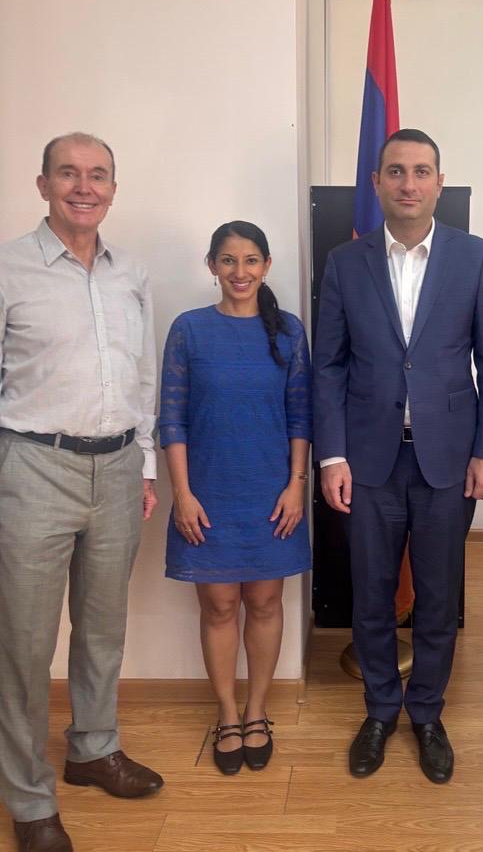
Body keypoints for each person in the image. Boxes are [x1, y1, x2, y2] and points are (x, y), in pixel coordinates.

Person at [313, 128, 483, 784]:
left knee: (438, 595)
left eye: (421, 171)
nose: (409, 183)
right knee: (370, 594)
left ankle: (426, 711)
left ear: (439, 183)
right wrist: (331, 457)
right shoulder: (346, 262)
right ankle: (379, 711)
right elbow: (328, 366)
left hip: (447, 460)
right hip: (368, 461)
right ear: (376, 183)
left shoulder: (475, 258)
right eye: (396, 171)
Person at [0, 133, 163, 852]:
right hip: (33, 467)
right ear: (43, 185)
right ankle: (30, 798)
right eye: (68, 173)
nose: (83, 186)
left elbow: (142, 376)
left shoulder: (132, 274)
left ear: (113, 190)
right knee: (24, 644)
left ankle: (94, 749)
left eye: (98, 175)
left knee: (102, 629)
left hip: (119, 467)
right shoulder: (9, 268)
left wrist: (146, 465)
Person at [159, 221, 311, 776]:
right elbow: (171, 419)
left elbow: (301, 415)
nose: (239, 271)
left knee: (266, 604)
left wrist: (296, 485)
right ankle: (226, 714)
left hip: (271, 493)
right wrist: (182, 494)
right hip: (208, 493)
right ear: (212, 266)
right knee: (219, 606)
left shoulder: (289, 331)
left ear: (266, 266)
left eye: (250, 260)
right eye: (228, 260)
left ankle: (256, 711)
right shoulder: (189, 330)